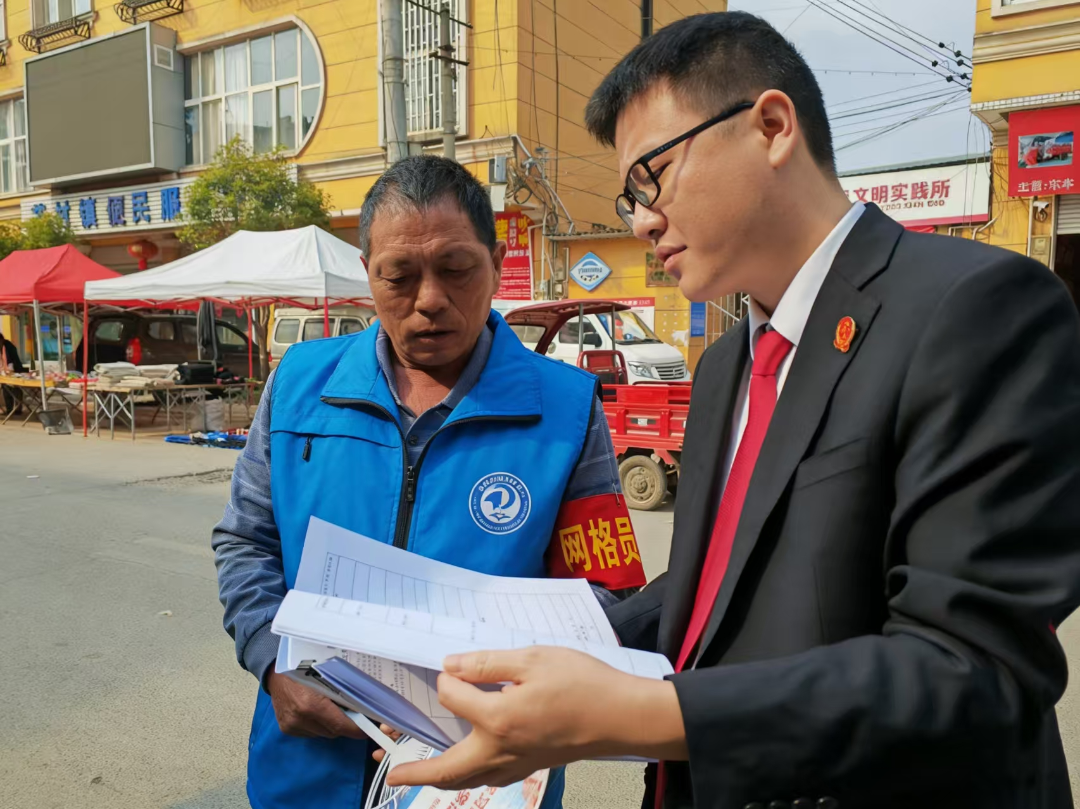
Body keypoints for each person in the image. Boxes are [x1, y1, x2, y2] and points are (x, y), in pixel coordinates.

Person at [386, 12, 1080, 808]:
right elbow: (719, 584)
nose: (642, 219)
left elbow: (971, 669)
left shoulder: (975, 308)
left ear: (771, 127)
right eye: (629, 196)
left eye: (653, 175)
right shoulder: (725, 366)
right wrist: (542, 653)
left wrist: (643, 712)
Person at [211, 155, 645, 809]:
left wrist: (519, 698)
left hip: (484, 774)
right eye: (400, 276)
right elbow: (246, 540)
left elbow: (606, 593)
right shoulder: (299, 383)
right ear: (368, 274)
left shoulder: (565, 408)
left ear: (496, 263)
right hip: (307, 769)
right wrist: (272, 659)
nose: (430, 299)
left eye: (456, 268)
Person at [0, 328, 25, 415]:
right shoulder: (2, 347)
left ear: (1, 340)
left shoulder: (8, 346)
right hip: (6, 372)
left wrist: (7, 371)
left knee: (15, 389)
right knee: (6, 389)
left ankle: (17, 409)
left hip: (14, 371)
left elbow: (10, 362)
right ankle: (9, 409)